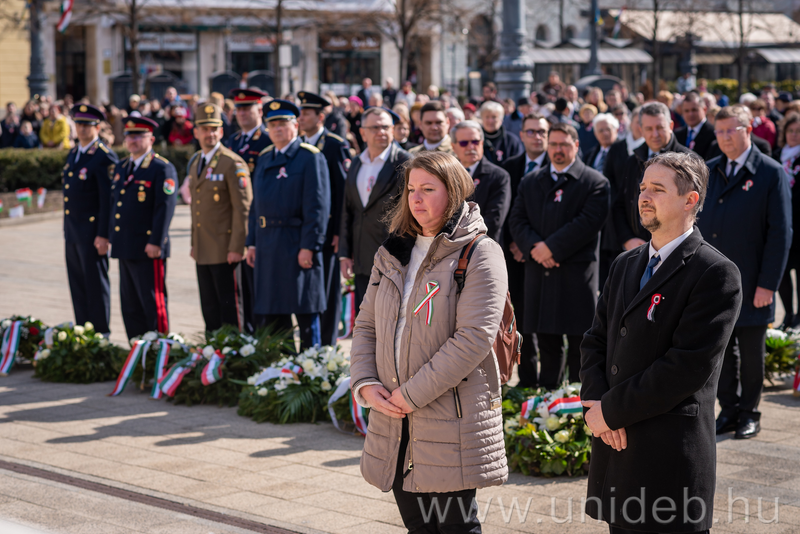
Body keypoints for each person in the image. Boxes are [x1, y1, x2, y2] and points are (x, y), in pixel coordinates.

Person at [580, 152, 743, 533]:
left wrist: (611, 412)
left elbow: (685, 367)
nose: (644, 197)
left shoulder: (715, 272)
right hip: (617, 449)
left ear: (691, 200)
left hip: (668, 456)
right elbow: (595, 340)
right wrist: (596, 403)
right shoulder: (625, 263)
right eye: (642, 188)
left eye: (657, 189)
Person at [350, 151, 509, 533]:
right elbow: (366, 325)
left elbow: (472, 340)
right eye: (410, 190)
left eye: (428, 189)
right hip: (394, 416)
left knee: (455, 527)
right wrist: (365, 384)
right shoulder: (392, 251)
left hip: (448, 418)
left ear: (453, 192)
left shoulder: (479, 252)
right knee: (418, 527)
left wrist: (409, 395)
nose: (416, 199)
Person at [700, 105, 792, 440]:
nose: (724, 137)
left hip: (753, 279)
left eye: (731, 130)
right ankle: (728, 409)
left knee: (752, 353)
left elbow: (780, 232)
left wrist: (768, 283)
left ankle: (750, 412)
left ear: (748, 129)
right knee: (720, 350)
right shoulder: (709, 169)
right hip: (714, 280)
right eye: (719, 131)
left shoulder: (770, 172)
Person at [509, 123, 610, 389]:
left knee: (580, 345)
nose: (558, 150)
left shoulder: (595, 182)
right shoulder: (531, 181)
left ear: (576, 145)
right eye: (553, 144)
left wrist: (551, 248)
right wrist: (535, 247)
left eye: (564, 144)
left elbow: (588, 222)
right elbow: (517, 219)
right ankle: (548, 401)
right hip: (539, 272)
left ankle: (578, 404)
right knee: (547, 343)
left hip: (575, 274)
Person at [246, 100, 330, 350]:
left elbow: (317, 207)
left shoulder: (309, 157)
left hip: (296, 244)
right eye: (272, 124)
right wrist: (251, 242)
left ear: (296, 126)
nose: (278, 129)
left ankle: (311, 366)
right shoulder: (264, 158)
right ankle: (281, 368)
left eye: (283, 123)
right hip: (268, 246)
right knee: (274, 315)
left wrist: (310, 246)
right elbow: (256, 205)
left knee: (305, 312)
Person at [109, 117, 178, 340]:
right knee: (130, 305)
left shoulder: (161, 168)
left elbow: (164, 208)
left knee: (152, 301)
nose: (133, 140)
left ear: (151, 139)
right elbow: (115, 205)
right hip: (125, 245)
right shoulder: (122, 167)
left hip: (148, 247)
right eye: (129, 136)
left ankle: (160, 348)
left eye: (139, 136)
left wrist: (156, 241)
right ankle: (136, 348)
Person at [188, 103, 252, 332]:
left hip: (226, 249)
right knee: (209, 308)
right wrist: (194, 243)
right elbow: (196, 207)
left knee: (230, 309)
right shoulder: (196, 161)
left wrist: (237, 247)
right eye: (204, 129)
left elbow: (243, 208)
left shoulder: (232, 163)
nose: (210, 134)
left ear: (221, 131)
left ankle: (235, 350)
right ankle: (212, 349)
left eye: (214, 129)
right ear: (196, 132)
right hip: (203, 248)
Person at [340, 107, 411, 309]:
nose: (381, 132)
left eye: (386, 127)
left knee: (390, 318)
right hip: (362, 258)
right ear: (363, 133)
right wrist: (345, 254)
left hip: (394, 259)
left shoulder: (405, 162)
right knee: (365, 319)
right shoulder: (356, 163)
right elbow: (348, 210)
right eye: (375, 128)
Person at [297, 91, 351, 346]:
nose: (301, 118)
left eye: (307, 114)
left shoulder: (334, 145)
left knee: (328, 289)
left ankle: (327, 345)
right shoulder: (298, 144)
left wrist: (340, 231)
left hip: (329, 230)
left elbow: (342, 192)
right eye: (300, 113)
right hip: (304, 229)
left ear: (320, 117)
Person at [500, 113, 550, 387]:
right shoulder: (510, 167)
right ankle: (528, 380)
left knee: (547, 319)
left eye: (541, 131)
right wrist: (516, 244)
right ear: (521, 135)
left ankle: (553, 384)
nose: (536, 137)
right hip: (514, 256)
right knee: (521, 317)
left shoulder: (557, 166)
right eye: (531, 131)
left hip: (547, 254)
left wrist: (531, 246)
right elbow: (506, 210)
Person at [62, 104, 118, 336]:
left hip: (93, 232)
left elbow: (108, 201)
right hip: (73, 231)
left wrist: (104, 234)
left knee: (95, 284)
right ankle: (82, 332)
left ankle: (101, 333)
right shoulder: (74, 153)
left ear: (97, 127)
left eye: (87, 125)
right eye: (79, 124)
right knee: (77, 285)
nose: (82, 129)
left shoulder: (104, 157)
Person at [614, 102, 695, 251]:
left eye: (660, 127)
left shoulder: (688, 162)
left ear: (671, 126)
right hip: (636, 250)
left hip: (675, 250)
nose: (655, 134)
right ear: (641, 130)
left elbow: (696, 210)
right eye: (649, 129)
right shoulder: (633, 161)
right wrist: (627, 239)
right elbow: (620, 204)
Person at [450, 120, 511, 243]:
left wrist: (460, 239)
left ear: (482, 143)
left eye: (475, 142)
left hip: (482, 245)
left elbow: (494, 220)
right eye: (464, 143)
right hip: (449, 246)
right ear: (453, 147)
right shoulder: (448, 175)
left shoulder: (499, 176)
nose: (471, 147)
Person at [776, 113, 800, 328]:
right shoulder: (777, 157)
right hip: (781, 225)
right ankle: (788, 315)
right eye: (790, 131)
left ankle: (798, 317)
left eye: (798, 131)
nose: (793, 135)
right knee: (781, 271)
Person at [480, 100, 523, 165]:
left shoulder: (511, 141)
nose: (490, 121)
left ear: (501, 119)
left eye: (494, 117)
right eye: (487, 117)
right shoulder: (476, 140)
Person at [675, 92, 715, 160]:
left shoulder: (714, 133)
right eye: (686, 111)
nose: (690, 114)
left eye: (694, 110)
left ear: (704, 110)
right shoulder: (677, 135)